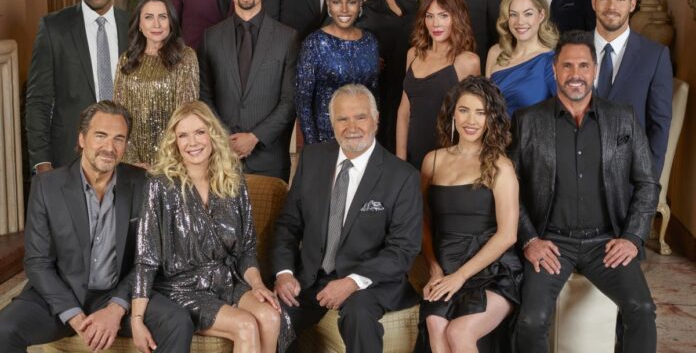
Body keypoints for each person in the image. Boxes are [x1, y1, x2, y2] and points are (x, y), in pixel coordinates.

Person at [0, 101, 194, 352]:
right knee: (4, 329)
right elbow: (37, 262)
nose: (109, 148)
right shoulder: (47, 187)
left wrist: (116, 308)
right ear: (82, 139)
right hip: (60, 292)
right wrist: (73, 315)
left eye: (119, 139)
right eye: (100, 136)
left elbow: (147, 259)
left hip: (118, 292)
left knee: (178, 322)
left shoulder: (143, 184)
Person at [511, 31, 658, 353]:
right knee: (531, 322)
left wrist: (632, 237)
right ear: (554, 69)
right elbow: (509, 191)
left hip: (606, 242)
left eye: (583, 66)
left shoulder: (623, 118)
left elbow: (647, 183)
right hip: (551, 243)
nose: (575, 74)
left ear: (595, 70)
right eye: (567, 66)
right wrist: (530, 240)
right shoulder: (527, 121)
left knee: (643, 310)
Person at [131, 100, 294, 353]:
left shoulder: (233, 180)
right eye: (183, 135)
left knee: (271, 316)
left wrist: (258, 285)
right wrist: (137, 318)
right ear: (174, 141)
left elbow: (247, 249)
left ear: (212, 135)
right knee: (245, 326)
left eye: (199, 132)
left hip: (227, 281)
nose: (192, 142)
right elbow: (146, 259)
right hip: (183, 288)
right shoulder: (159, 186)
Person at [272, 84, 422, 352]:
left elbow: (403, 250)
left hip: (370, 283)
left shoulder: (402, 176)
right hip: (311, 280)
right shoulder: (312, 159)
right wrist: (284, 273)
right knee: (270, 315)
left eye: (360, 117)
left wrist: (352, 281)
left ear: (376, 119)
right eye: (342, 119)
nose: (352, 127)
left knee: (358, 313)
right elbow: (288, 225)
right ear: (332, 123)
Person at [418, 76, 521, 352]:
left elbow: (508, 235)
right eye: (464, 110)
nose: (471, 120)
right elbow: (423, 220)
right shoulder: (432, 160)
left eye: (480, 112)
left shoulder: (500, 165)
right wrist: (434, 268)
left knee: (459, 331)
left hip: (492, 270)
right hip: (446, 266)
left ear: (490, 119)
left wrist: (460, 276)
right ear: (453, 114)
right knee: (435, 325)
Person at [199, 0, 298, 182]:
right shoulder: (210, 38)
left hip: (269, 161)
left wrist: (254, 137)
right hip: (222, 157)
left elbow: (290, 101)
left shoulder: (287, 38)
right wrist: (225, 137)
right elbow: (204, 97)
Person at [26, 0, 128, 173]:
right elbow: (38, 101)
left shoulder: (132, 25)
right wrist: (41, 161)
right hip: (70, 156)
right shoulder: (53, 28)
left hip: (126, 154)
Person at [592, 0, 672, 177]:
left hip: (627, 178)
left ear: (632, 5)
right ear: (593, 3)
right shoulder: (570, 48)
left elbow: (659, 125)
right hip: (573, 176)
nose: (611, 7)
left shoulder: (654, 56)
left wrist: (648, 183)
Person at [396, 0, 480, 170]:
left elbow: (475, 117)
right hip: (412, 156)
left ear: (457, 18)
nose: (435, 24)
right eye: (430, 16)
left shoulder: (467, 61)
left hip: (448, 159)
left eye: (443, 16)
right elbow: (404, 112)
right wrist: (400, 160)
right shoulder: (413, 54)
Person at [113, 0, 198, 168]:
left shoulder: (185, 57)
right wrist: (132, 161)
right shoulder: (126, 60)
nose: (157, 24)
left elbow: (186, 115)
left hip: (172, 162)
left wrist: (166, 162)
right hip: (133, 163)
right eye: (149, 17)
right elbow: (119, 116)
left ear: (171, 21)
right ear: (139, 24)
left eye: (163, 17)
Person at [296, 0, 380, 145]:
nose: (344, 10)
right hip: (325, 140)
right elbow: (303, 103)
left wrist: (373, 137)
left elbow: (374, 96)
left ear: (360, 3)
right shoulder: (314, 43)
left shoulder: (370, 41)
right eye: (336, 2)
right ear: (328, 4)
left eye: (351, 2)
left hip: (363, 139)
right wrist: (313, 148)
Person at [356, 0, 419, 154]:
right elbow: (334, 37)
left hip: (411, 82)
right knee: (382, 149)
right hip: (379, 87)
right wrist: (364, 57)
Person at [487, 0, 558, 116]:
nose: (520, 22)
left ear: (541, 15)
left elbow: (562, 113)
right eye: (513, 14)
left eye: (528, 14)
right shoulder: (495, 53)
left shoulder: (551, 61)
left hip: (532, 130)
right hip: (493, 130)